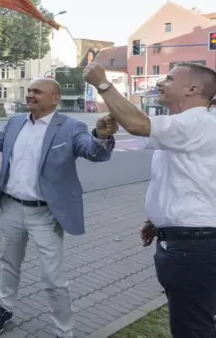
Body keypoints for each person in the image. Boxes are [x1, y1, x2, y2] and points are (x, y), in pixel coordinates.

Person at [0, 78, 117, 337]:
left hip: (45, 214)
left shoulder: (71, 127)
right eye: (29, 91)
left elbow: (93, 152)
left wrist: (101, 137)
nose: (30, 95)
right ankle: (5, 307)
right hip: (12, 207)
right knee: (9, 263)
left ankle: (64, 330)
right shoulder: (16, 122)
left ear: (55, 98)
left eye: (37, 92)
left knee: (53, 277)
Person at [84, 61, 216, 338]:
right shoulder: (186, 126)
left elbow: (137, 124)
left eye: (168, 78)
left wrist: (103, 84)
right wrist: (155, 220)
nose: (160, 83)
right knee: (195, 319)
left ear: (192, 89)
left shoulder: (197, 122)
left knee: (191, 328)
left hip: (193, 245)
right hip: (188, 240)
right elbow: (186, 180)